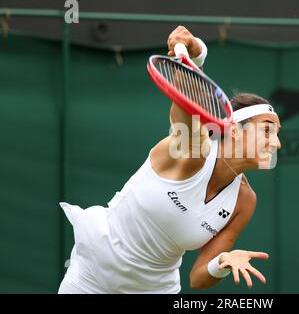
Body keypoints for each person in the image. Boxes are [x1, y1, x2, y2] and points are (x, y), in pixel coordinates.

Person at [58, 26, 282, 294]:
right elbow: (184, 109)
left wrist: (221, 263)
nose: (276, 143)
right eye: (267, 130)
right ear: (234, 130)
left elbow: (199, 278)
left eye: (277, 134)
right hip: (90, 278)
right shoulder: (194, 152)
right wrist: (196, 57)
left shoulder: (244, 201)